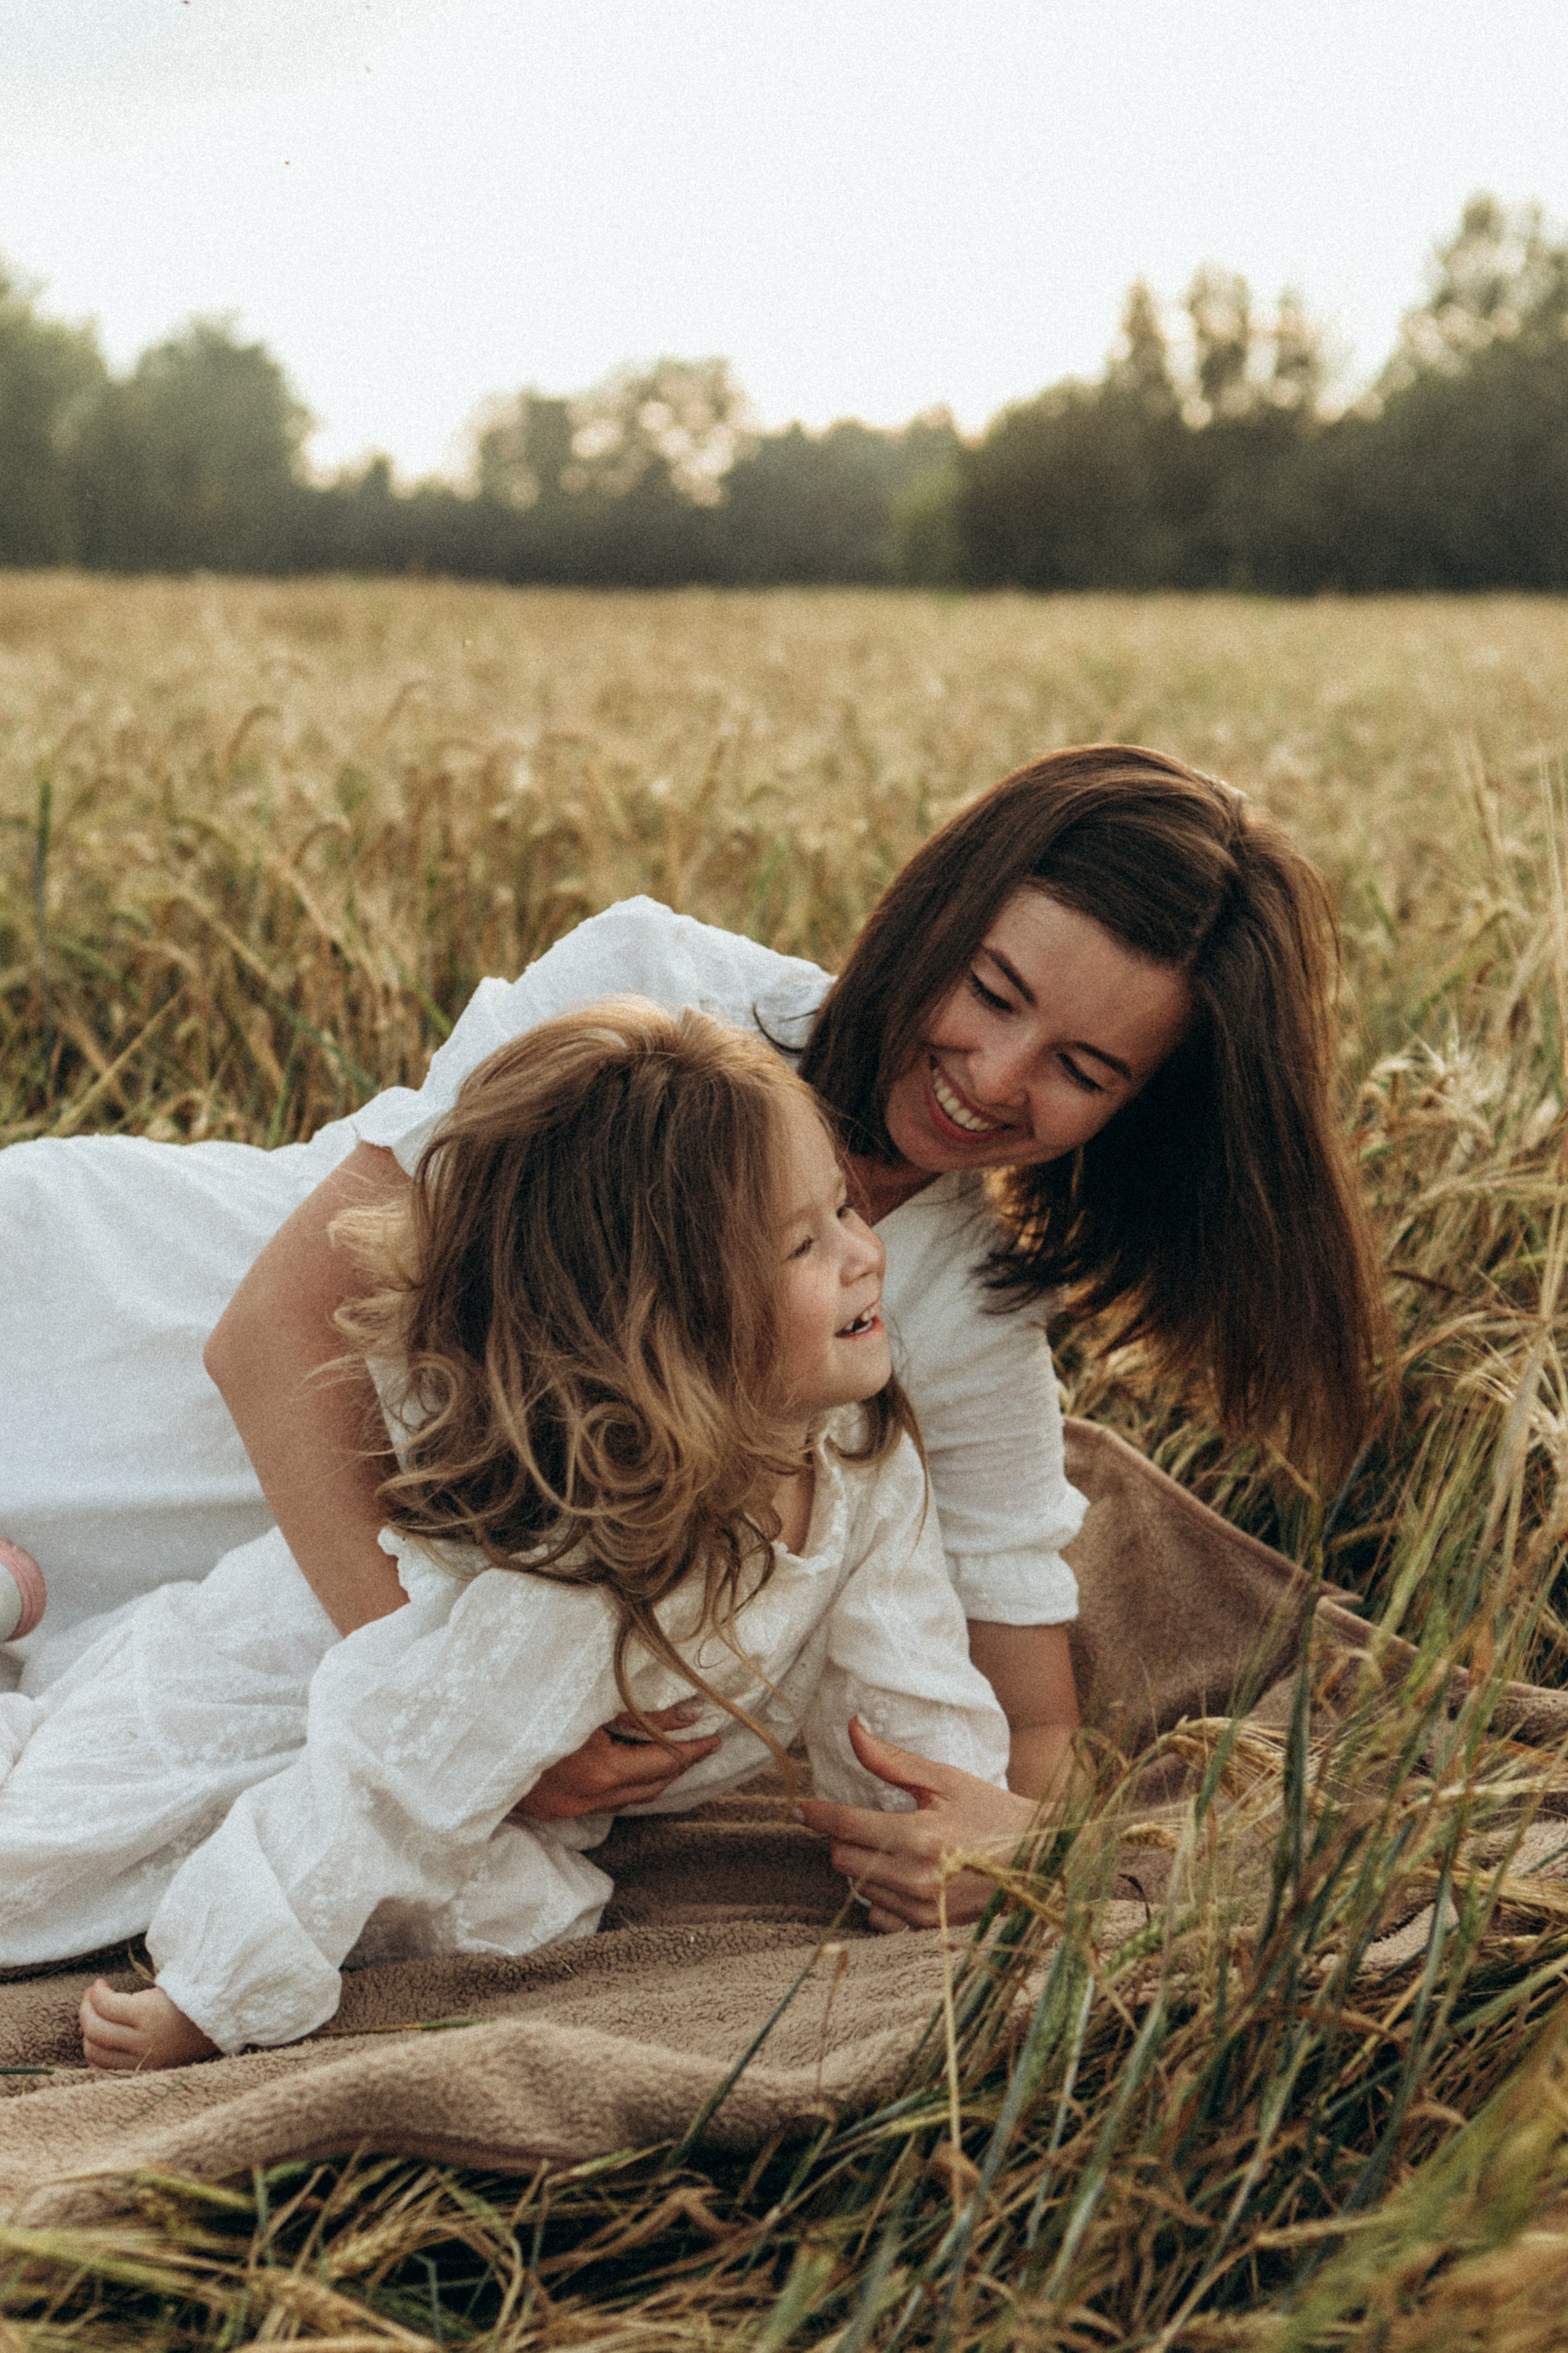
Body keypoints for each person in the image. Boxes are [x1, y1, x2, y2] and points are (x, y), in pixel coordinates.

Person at [1, 744, 1386, 1926]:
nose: (995, 1080)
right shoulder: (662, 992)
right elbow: (275, 1324)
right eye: (994, 991)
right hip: (94, 1315)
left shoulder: (960, 1309)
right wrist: (465, 1726)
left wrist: (1016, 1844)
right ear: (938, 911)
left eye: (1084, 1071)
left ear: (1139, 1115)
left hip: (203, 1611)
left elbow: (1036, 1724)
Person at [0, 1004, 1011, 2070]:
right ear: (674, 1324)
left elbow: (904, 1666)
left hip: (466, 1766)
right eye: (806, 1245)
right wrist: (212, 1999)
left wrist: (931, 1832)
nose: (862, 1258)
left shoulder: (851, 1449)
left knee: (529, 1903)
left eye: (848, 1213)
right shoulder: (592, 1571)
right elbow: (388, 1779)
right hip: (289, 1705)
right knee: (37, 1866)